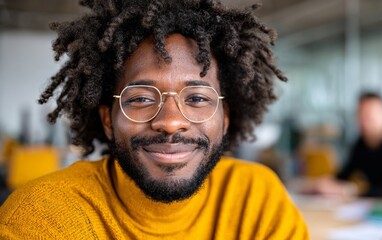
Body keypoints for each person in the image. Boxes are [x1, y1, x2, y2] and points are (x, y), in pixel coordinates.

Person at [0, 0, 309, 239]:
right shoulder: (43, 216)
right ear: (108, 119)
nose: (171, 122)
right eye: (142, 99)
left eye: (198, 98)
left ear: (225, 117)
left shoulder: (257, 198)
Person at [309, 92, 382, 198]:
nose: (364, 121)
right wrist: (325, 184)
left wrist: (354, 191)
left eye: (370, 116)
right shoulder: (361, 144)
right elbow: (344, 176)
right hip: (375, 208)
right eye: (360, 115)